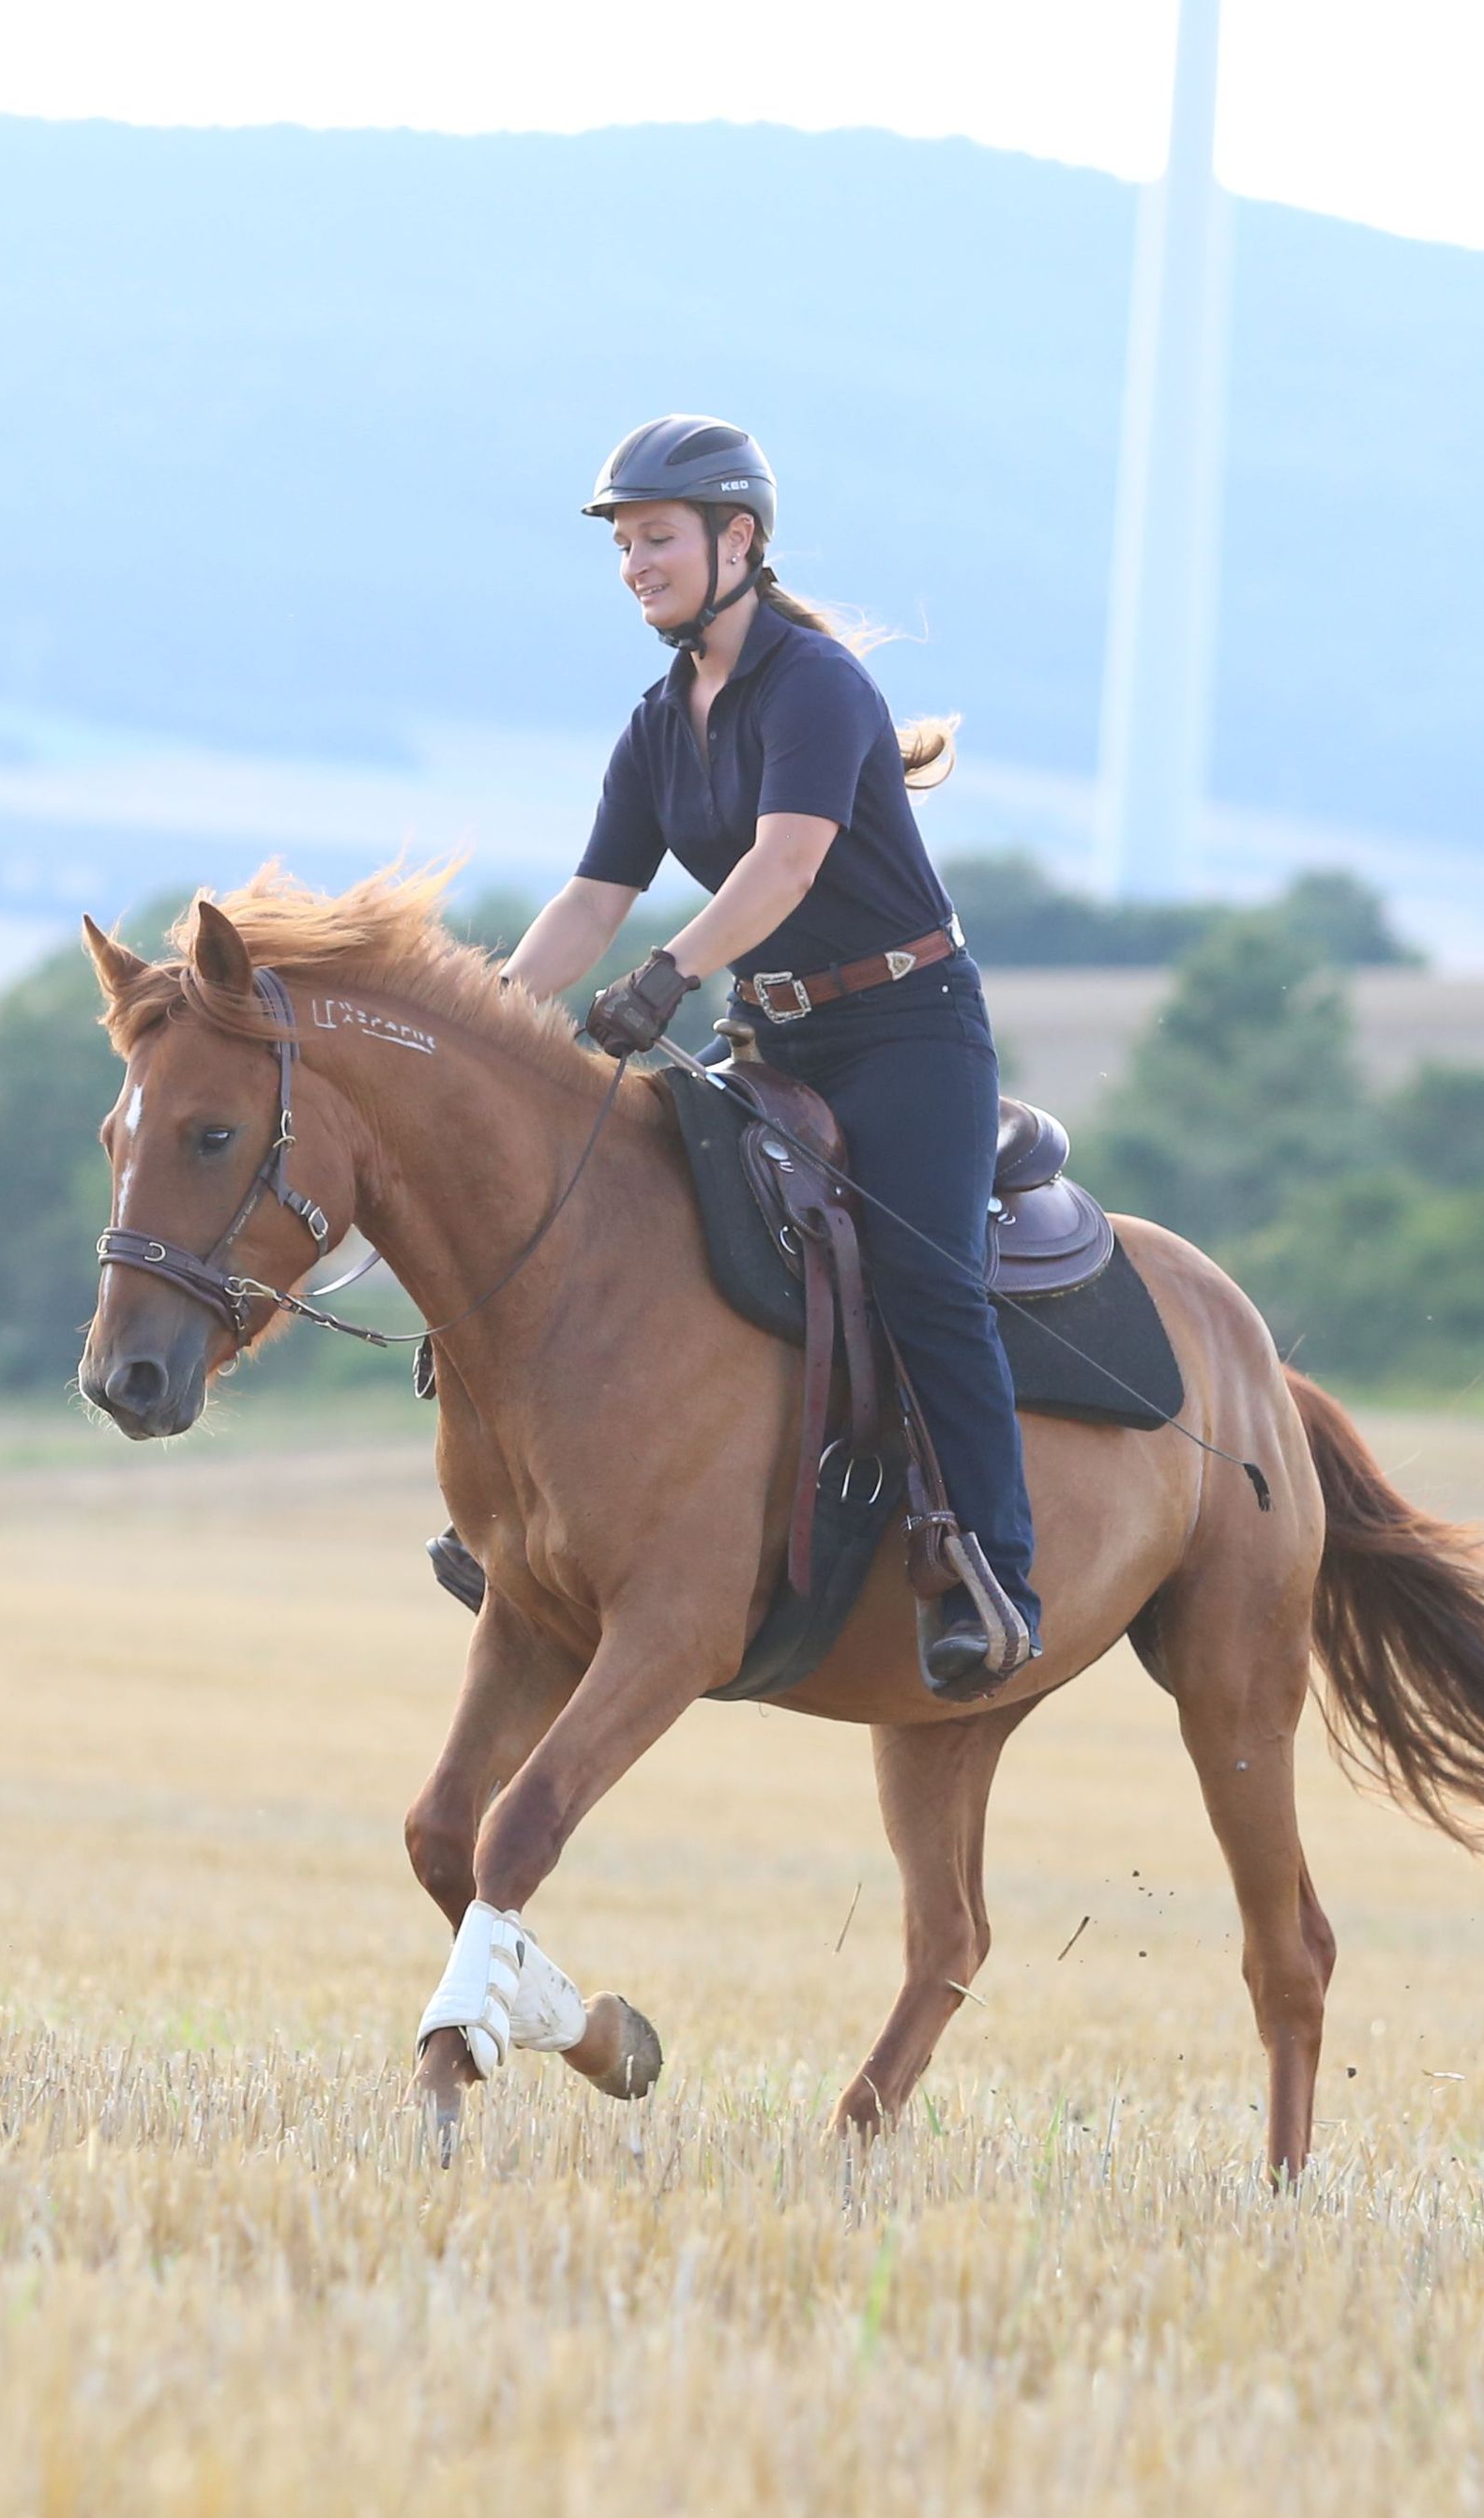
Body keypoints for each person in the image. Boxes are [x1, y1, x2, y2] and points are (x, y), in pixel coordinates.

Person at [498, 414, 1040, 1695]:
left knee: (925, 1283)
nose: (636, 562)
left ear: (737, 539)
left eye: (658, 537)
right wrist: (490, 1012)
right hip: (781, 1033)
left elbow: (784, 863)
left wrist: (672, 974)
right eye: (624, 543)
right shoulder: (657, 720)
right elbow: (588, 900)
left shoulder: (816, 684)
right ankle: (550, 1526)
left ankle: (996, 1577)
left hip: (908, 1030)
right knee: (640, 1236)